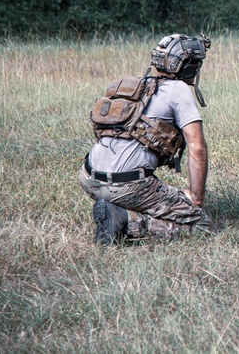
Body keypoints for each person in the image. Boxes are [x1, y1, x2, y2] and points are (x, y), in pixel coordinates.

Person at [80, 33, 215, 245]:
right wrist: (196, 198)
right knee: (201, 225)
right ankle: (126, 220)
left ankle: (114, 206)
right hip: (126, 183)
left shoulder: (139, 86)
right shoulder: (178, 89)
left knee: (132, 191)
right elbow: (197, 147)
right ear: (186, 66)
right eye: (196, 64)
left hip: (89, 177)